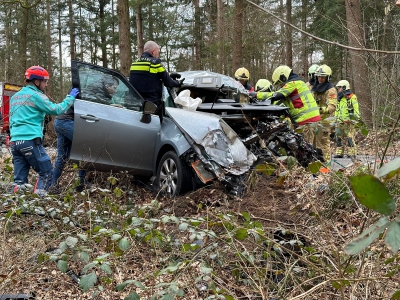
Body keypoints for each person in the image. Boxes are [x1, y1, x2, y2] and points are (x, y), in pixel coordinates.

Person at [9, 66, 78, 196]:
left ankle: (17, 206)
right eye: (45, 81)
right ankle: (40, 201)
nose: (46, 85)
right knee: (47, 172)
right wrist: (70, 98)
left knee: (19, 181)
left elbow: (12, 120)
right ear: (36, 82)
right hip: (30, 141)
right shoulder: (36, 96)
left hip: (15, 143)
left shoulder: (15, 97)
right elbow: (56, 110)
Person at [50, 104, 88, 193]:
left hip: (59, 121)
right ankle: (81, 183)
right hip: (67, 122)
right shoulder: (81, 91)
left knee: (62, 156)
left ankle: (53, 185)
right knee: (85, 147)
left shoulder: (75, 92)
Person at [311, 64, 337, 161]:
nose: (320, 79)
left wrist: (320, 110)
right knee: (313, 145)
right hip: (314, 121)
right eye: (319, 76)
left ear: (327, 77)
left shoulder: (331, 90)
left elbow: (332, 106)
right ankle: (316, 168)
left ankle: (326, 168)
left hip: (325, 122)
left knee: (323, 145)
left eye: (323, 77)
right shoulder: (314, 88)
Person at [334, 80, 360, 159]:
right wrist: (336, 119)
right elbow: (337, 110)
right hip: (340, 121)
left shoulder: (352, 97)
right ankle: (339, 153)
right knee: (338, 137)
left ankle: (352, 153)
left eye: (340, 88)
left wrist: (356, 119)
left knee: (350, 137)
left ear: (345, 87)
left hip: (350, 121)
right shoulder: (339, 98)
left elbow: (356, 109)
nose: (339, 89)